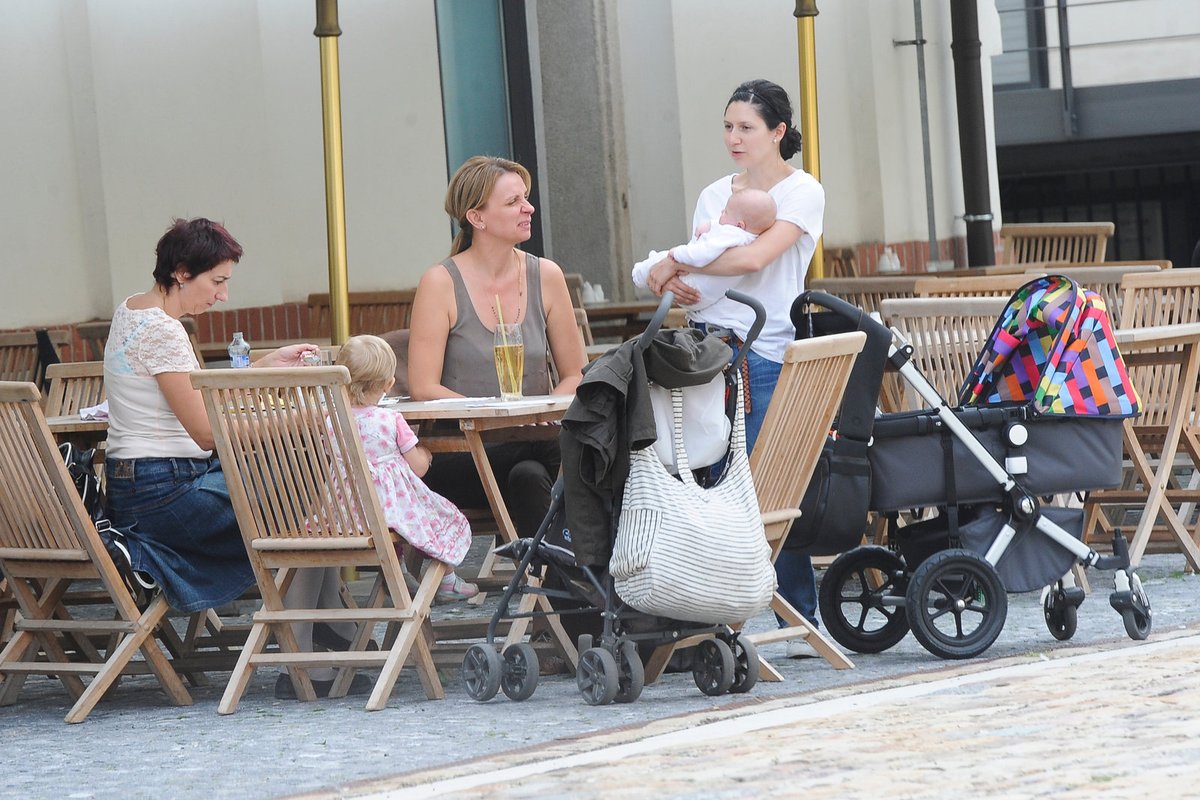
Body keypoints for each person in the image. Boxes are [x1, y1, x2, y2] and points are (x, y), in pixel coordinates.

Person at [103, 216, 370, 699]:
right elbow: (207, 432)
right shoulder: (163, 331)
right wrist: (307, 416)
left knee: (302, 481)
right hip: (167, 498)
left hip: (140, 488)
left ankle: (326, 627)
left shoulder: (134, 311)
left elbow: (192, 398)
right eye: (218, 282)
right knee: (301, 488)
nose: (223, 295)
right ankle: (305, 655)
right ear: (182, 272)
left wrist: (261, 367)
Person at [645, 79, 826, 658]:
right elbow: (701, 268)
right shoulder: (712, 193)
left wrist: (678, 262)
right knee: (700, 476)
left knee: (768, 479)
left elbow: (750, 257)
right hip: (701, 347)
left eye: (746, 127)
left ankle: (797, 612)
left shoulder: (803, 192)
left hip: (765, 346)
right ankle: (709, 611)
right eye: (727, 126)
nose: (734, 137)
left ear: (778, 132)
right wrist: (678, 271)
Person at [408, 155, 586, 536]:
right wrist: (500, 416)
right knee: (572, 453)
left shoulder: (546, 275)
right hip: (462, 452)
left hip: (534, 444)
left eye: (525, 198)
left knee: (529, 476)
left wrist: (544, 414)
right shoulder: (440, 283)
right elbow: (424, 387)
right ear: (477, 218)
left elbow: (575, 374)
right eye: (513, 202)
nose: (529, 208)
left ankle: (560, 593)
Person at [335, 335, 478, 601]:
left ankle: (397, 571)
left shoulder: (331, 418)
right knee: (437, 517)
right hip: (385, 514)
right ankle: (446, 579)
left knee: (401, 521)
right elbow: (419, 468)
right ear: (388, 384)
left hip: (345, 516)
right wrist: (425, 453)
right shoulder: (391, 419)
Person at [631, 188, 777, 312]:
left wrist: (676, 255)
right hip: (705, 295)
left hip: (695, 289)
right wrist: (708, 226)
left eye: (725, 212)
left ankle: (639, 274)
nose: (721, 212)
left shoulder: (732, 235)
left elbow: (704, 253)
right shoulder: (747, 235)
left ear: (740, 225)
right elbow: (719, 226)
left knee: (661, 258)